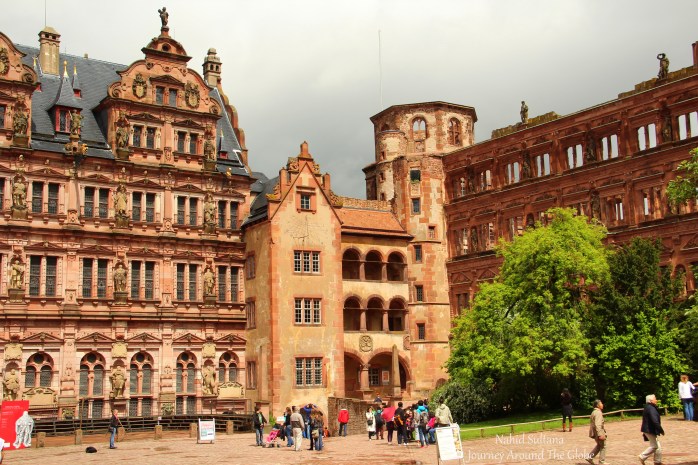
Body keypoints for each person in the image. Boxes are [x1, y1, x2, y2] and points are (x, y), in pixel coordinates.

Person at [639, 394, 664, 465]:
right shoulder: (651, 408)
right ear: (650, 400)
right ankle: (642, 456)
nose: (656, 400)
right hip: (649, 430)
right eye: (655, 399)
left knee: (658, 446)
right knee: (654, 446)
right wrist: (660, 429)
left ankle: (657, 461)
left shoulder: (649, 407)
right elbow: (654, 420)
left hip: (649, 429)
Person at [586, 399, 607, 465]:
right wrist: (600, 434)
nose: (602, 404)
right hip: (598, 432)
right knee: (603, 446)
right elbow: (598, 424)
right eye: (601, 403)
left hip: (595, 433)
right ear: (598, 405)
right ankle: (602, 462)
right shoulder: (598, 413)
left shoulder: (594, 412)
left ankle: (590, 457)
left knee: (599, 446)